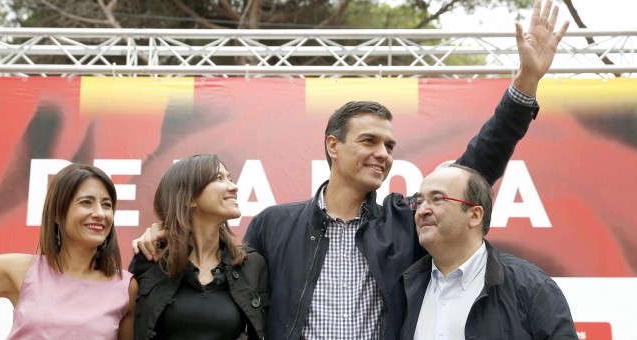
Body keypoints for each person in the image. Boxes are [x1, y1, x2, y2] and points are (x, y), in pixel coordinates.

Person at [133, 1, 569, 338]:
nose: (383, 153)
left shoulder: (406, 220)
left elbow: (476, 167)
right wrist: (166, 235)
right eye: (369, 141)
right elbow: (220, 279)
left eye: (390, 146)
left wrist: (525, 83)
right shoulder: (273, 225)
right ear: (332, 146)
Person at [401, 163, 577, 339]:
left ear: (475, 215)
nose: (422, 211)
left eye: (438, 199)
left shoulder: (531, 286)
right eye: (418, 202)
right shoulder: (404, 288)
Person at [0, 163, 136, 339]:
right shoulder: (22, 271)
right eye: (86, 202)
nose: (100, 213)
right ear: (57, 214)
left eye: (106, 205)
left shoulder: (126, 288)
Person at [128, 154, 267, 340]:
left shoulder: (251, 264)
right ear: (190, 198)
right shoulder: (150, 258)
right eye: (219, 178)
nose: (234, 187)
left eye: (230, 178)